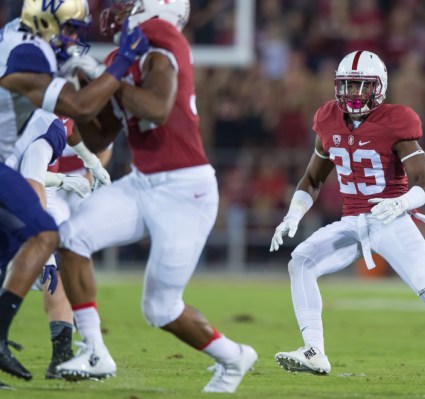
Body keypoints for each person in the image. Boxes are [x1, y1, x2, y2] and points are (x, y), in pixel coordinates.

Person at [55, 0, 257, 393]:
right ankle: (95, 350)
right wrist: (79, 88)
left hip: (185, 190)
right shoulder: (122, 54)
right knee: (70, 237)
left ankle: (233, 356)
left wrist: (103, 73)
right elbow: (99, 137)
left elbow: (158, 108)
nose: (115, 8)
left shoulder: (162, 37)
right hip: (142, 181)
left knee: (160, 309)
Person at [270, 50, 425, 378]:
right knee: (300, 260)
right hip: (352, 221)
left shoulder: (396, 121)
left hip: (392, 218)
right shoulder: (328, 118)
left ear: (380, 87)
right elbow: (313, 178)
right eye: (347, 86)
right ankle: (314, 350)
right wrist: (294, 214)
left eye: (362, 86)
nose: (353, 94)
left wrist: (401, 203)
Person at [0, 0, 148, 381]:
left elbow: (68, 125)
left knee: (15, 252)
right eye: (67, 30)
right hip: (13, 169)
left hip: (17, 167)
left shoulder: (22, 40)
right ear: (45, 21)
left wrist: (90, 161)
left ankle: (52, 350)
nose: (72, 40)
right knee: (47, 237)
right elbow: (78, 107)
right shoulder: (30, 54)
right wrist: (120, 64)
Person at [1, 111, 111, 381]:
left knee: (59, 264)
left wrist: (90, 161)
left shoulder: (48, 115)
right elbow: (32, 179)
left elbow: (68, 127)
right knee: (49, 260)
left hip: (15, 187)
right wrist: (44, 250)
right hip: (16, 190)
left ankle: (61, 354)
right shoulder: (41, 128)